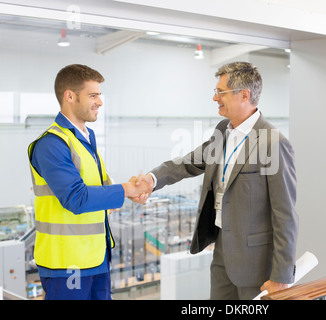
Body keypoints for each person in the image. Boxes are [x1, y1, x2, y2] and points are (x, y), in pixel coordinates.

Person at [134, 61, 298, 299]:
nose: (214, 98)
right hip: (222, 251)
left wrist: (281, 276)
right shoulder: (223, 131)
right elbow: (189, 162)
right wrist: (151, 179)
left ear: (244, 95)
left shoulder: (272, 142)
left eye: (220, 92)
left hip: (256, 263)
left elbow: (286, 215)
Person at [28, 64, 149, 300]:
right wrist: (125, 190)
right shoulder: (51, 144)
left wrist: (131, 192)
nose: (100, 102)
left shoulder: (86, 138)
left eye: (99, 95)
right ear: (69, 96)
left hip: (96, 257)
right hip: (66, 264)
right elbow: (77, 198)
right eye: (93, 95)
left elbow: (103, 189)